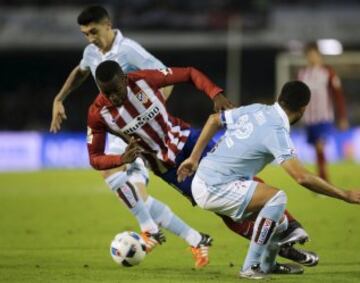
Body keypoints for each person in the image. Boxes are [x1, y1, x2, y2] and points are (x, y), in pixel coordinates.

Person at [87, 60, 319, 271]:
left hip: (189, 140)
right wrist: (121, 160)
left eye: (116, 91)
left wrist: (214, 92)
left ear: (124, 80)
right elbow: (95, 157)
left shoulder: (144, 80)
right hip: (167, 167)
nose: (113, 97)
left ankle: (290, 228)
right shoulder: (98, 114)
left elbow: (189, 73)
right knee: (225, 210)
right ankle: (279, 248)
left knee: (240, 179)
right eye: (106, 93)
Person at [49, 5, 213, 269]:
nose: (90, 38)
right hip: (118, 128)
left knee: (114, 176)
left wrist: (148, 116)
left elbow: (165, 77)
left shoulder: (129, 50)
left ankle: (151, 229)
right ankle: (194, 238)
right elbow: (80, 72)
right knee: (138, 196)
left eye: (94, 31)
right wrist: (59, 98)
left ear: (108, 24)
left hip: (137, 129)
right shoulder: (91, 52)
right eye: (85, 34)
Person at [176, 80, 360, 279]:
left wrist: (194, 158)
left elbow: (213, 119)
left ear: (280, 97)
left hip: (207, 177)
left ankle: (267, 264)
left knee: (279, 222)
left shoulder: (256, 109)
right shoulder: (277, 130)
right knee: (277, 198)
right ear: (303, 108)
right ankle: (249, 267)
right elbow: (302, 177)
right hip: (215, 186)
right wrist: (345, 194)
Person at [298, 42, 348, 182]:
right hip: (309, 118)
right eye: (309, 55)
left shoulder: (328, 72)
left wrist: (342, 116)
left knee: (320, 146)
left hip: (323, 117)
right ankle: (321, 178)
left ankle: (323, 179)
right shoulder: (302, 74)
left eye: (314, 55)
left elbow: (338, 96)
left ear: (319, 56)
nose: (312, 58)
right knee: (316, 149)